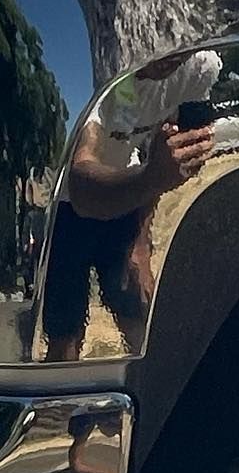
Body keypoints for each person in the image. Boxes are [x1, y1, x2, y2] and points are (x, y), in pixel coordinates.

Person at [41, 49, 221, 362]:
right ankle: (60, 406)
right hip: (69, 211)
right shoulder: (104, 71)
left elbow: (162, 144)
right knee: (64, 330)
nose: (173, 55)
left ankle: (149, 391)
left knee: (135, 310)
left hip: (129, 196)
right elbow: (81, 181)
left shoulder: (199, 67)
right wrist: (151, 179)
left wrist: (141, 237)